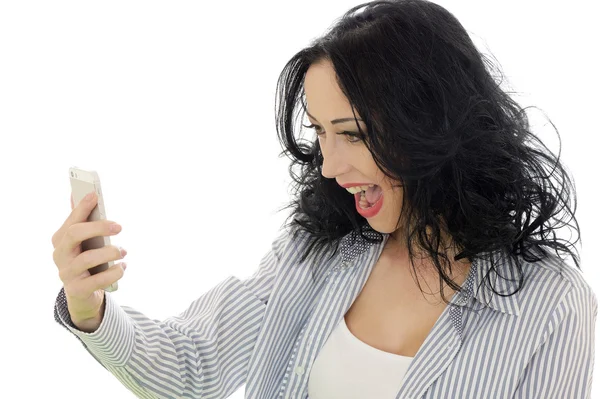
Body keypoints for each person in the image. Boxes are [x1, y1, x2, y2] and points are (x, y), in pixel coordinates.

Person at [52, 0, 597, 398]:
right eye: (321, 133)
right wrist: (91, 308)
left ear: (432, 126)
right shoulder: (314, 251)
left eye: (354, 134)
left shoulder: (550, 305)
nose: (332, 168)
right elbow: (194, 365)